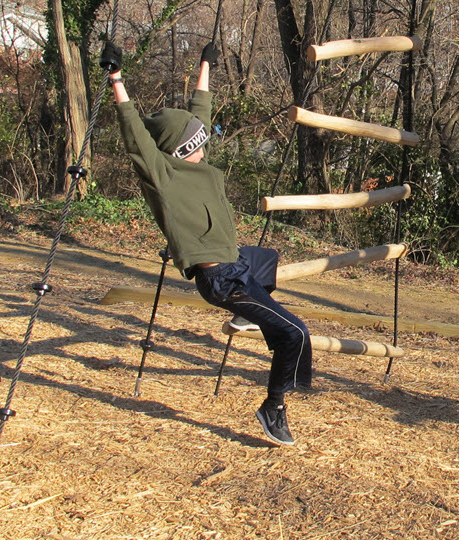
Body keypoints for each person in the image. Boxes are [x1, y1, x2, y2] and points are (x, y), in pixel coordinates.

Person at [105, 41, 311, 446]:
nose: (203, 142)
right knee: (295, 333)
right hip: (220, 278)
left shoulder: (192, 161)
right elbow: (134, 133)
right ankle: (274, 407)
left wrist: (205, 65)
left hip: (238, 263)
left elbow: (200, 110)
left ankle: (246, 318)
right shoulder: (164, 174)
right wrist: (116, 79)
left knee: (266, 258)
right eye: (196, 141)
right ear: (180, 148)